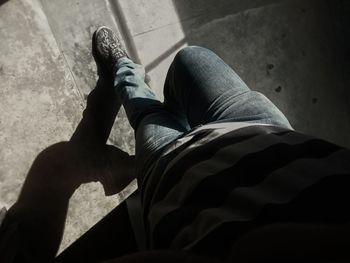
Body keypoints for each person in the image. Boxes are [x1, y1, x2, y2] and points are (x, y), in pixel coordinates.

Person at [91, 26, 350, 262]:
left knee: (145, 111)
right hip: (260, 130)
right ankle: (162, 134)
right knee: (190, 59)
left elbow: (258, 244)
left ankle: (124, 69)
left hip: (175, 177)